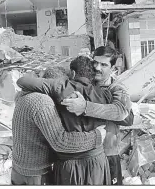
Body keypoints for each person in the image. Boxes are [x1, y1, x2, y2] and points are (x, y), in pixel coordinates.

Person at [17, 56, 133, 185]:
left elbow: (22, 81)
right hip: (98, 161)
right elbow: (127, 117)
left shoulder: (61, 87)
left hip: (70, 164)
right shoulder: (105, 94)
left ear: (72, 73)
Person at [61, 46, 132, 185]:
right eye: (95, 62)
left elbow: (120, 111)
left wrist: (85, 107)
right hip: (84, 154)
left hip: (108, 154)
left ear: (112, 68)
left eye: (104, 65)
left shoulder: (117, 88)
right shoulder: (85, 83)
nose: (98, 68)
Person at [11, 89, 106, 185]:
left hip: (18, 169)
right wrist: (96, 136)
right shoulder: (42, 102)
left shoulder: (26, 95)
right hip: (36, 175)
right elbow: (61, 142)